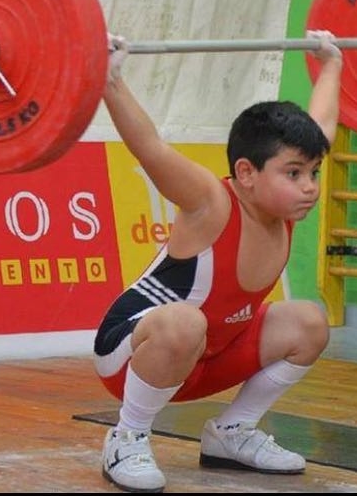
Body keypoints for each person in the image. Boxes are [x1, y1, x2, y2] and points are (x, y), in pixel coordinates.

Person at [93, 29, 343, 493]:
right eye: (294, 173)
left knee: (308, 322)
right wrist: (109, 79)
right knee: (186, 322)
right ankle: (126, 437)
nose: (309, 186)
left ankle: (231, 432)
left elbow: (323, 126)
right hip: (133, 353)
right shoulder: (211, 203)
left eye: (313, 173)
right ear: (246, 172)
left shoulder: (281, 207)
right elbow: (150, 147)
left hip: (208, 354)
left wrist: (331, 63)